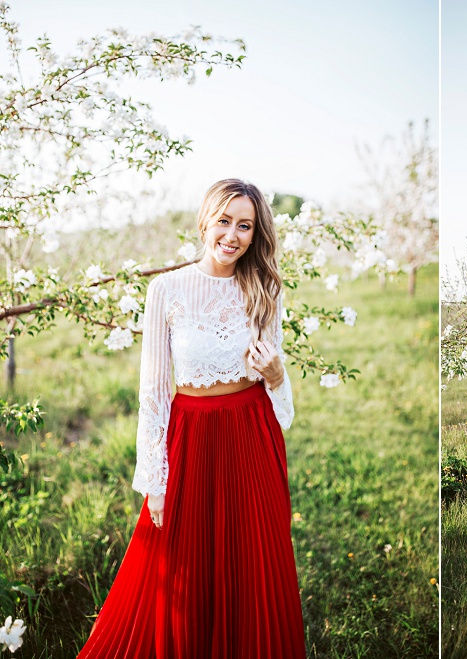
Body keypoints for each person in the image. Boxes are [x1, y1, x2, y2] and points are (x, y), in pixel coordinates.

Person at [78, 179, 307, 658]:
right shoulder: (167, 288)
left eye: (245, 225)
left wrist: (277, 372)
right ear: (205, 220)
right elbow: (155, 393)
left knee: (253, 560)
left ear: (255, 233)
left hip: (252, 432)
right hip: (191, 434)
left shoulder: (263, 287)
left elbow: (281, 408)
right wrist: (154, 480)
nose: (233, 235)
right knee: (183, 563)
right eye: (224, 220)